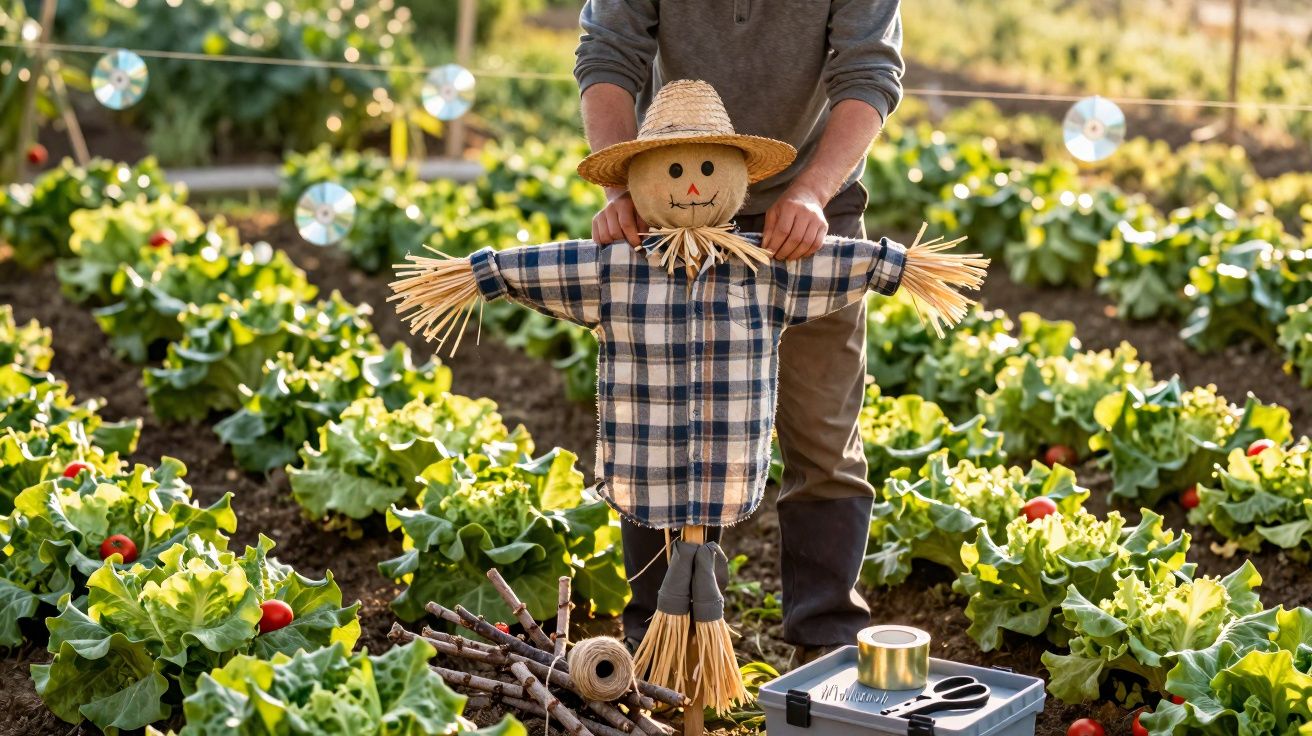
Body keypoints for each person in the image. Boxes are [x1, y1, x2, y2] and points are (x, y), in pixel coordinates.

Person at [573, 0, 906, 662]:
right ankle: (665, 636)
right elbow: (609, 55)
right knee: (665, 430)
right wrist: (621, 194)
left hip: (814, 215)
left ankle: (825, 635)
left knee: (824, 434)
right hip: (676, 207)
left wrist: (811, 193)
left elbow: (869, 72)